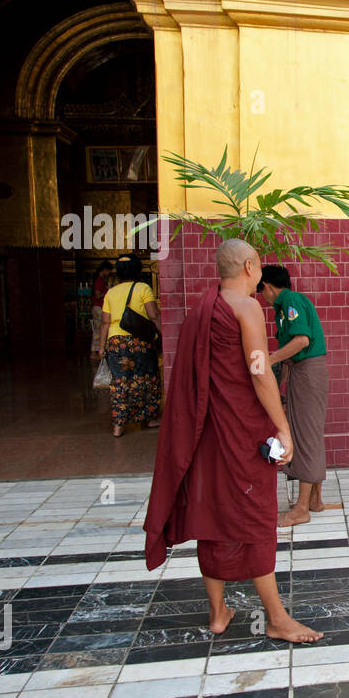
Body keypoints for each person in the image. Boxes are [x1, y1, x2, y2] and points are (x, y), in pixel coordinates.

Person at [144, 239, 320, 643]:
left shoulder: (200, 310)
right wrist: (283, 427)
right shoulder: (246, 308)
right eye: (258, 266)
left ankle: (219, 612)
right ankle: (276, 618)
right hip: (242, 433)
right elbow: (259, 373)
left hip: (206, 434)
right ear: (248, 265)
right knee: (255, 519)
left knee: (213, 517)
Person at [257, 265, 330, 527]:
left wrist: (271, 359)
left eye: (261, 291)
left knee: (307, 436)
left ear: (266, 285)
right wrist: (281, 386)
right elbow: (291, 355)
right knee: (307, 433)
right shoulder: (283, 307)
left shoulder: (290, 300)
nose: (262, 298)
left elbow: (301, 341)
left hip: (308, 371)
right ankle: (314, 500)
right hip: (300, 373)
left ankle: (301, 509)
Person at [97, 254, 162, 438]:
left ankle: (118, 425)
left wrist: (101, 347)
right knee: (147, 379)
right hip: (139, 342)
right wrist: (164, 334)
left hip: (116, 342)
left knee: (120, 383)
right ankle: (149, 419)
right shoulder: (143, 288)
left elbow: (104, 322)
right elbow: (153, 315)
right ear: (137, 270)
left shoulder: (111, 292)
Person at [89, 260, 113, 358]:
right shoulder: (99, 280)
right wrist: (108, 291)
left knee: (100, 329)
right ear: (104, 270)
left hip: (100, 307)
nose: (108, 274)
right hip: (98, 307)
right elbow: (98, 295)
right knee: (98, 330)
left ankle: (97, 351)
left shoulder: (100, 280)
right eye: (108, 271)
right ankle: (94, 352)